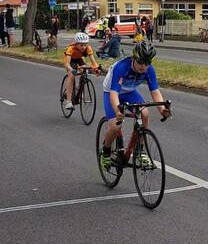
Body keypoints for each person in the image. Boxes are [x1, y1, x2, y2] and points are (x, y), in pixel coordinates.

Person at [100, 41, 171, 169]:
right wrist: (117, 111)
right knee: (115, 126)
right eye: (141, 62)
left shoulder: (149, 70)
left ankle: (139, 151)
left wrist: (161, 109)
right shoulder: (122, 67)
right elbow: (114, 93)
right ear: (133, 58)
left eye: (147, 62)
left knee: (144, 113)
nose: (144, 66)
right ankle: (105, 151)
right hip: (112, 92)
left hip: (129, 91)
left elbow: (155, 91)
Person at [63, 32, 99, 110]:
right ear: (76, 44)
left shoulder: (88, 48)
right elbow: (67, 64)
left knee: (85, 71)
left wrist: (96, 68)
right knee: (71, 76)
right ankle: (68, 102)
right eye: (81, 45)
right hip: (70, 60)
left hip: (79, 59)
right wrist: (72, 70)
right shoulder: (71, 48)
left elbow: (93, 61)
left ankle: (78, 88)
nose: (83, 47)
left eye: (85, 44)